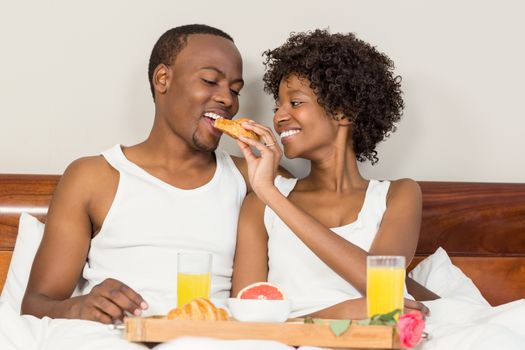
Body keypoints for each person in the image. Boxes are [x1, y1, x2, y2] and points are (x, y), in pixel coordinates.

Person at [21, 24, 288, 324]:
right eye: (210, 80)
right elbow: (36, 303)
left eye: (235, 90)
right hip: (111, 339)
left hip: (208, 340)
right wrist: (78, 307)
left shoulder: (252, 178)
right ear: (163, 79)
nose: (228, 100)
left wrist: (270, 180)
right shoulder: (93, 176)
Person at [231, 29, 438, 319]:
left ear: (343, 111)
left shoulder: (398, 195)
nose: (278, 116)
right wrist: (344, 312)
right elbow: (247, 319)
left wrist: (272, 195)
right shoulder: (260, 205)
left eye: (295, 102)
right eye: (277, 105)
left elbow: (383, 286)